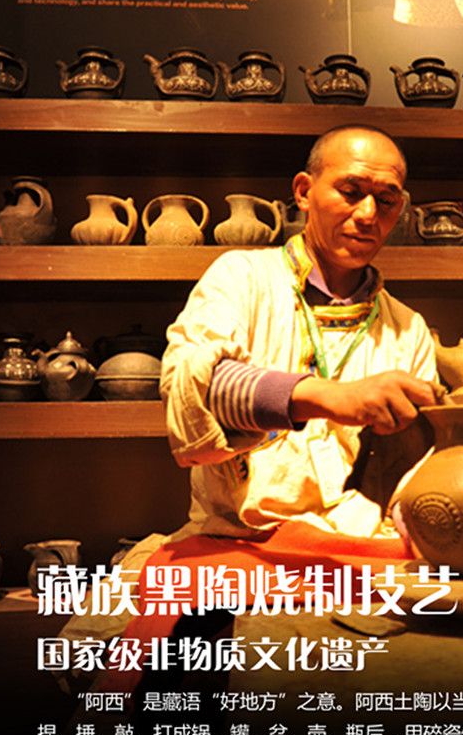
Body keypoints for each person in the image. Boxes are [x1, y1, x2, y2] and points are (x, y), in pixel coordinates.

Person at [160, 123, 438, 541]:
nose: (368, 214)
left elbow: (414, 472)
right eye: (351, 191)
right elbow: (192, 386)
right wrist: (331, 397)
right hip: (237, 540)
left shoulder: (407, 328)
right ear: (304, 192)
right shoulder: (243, 277)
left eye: (386, 200)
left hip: (362, 545)